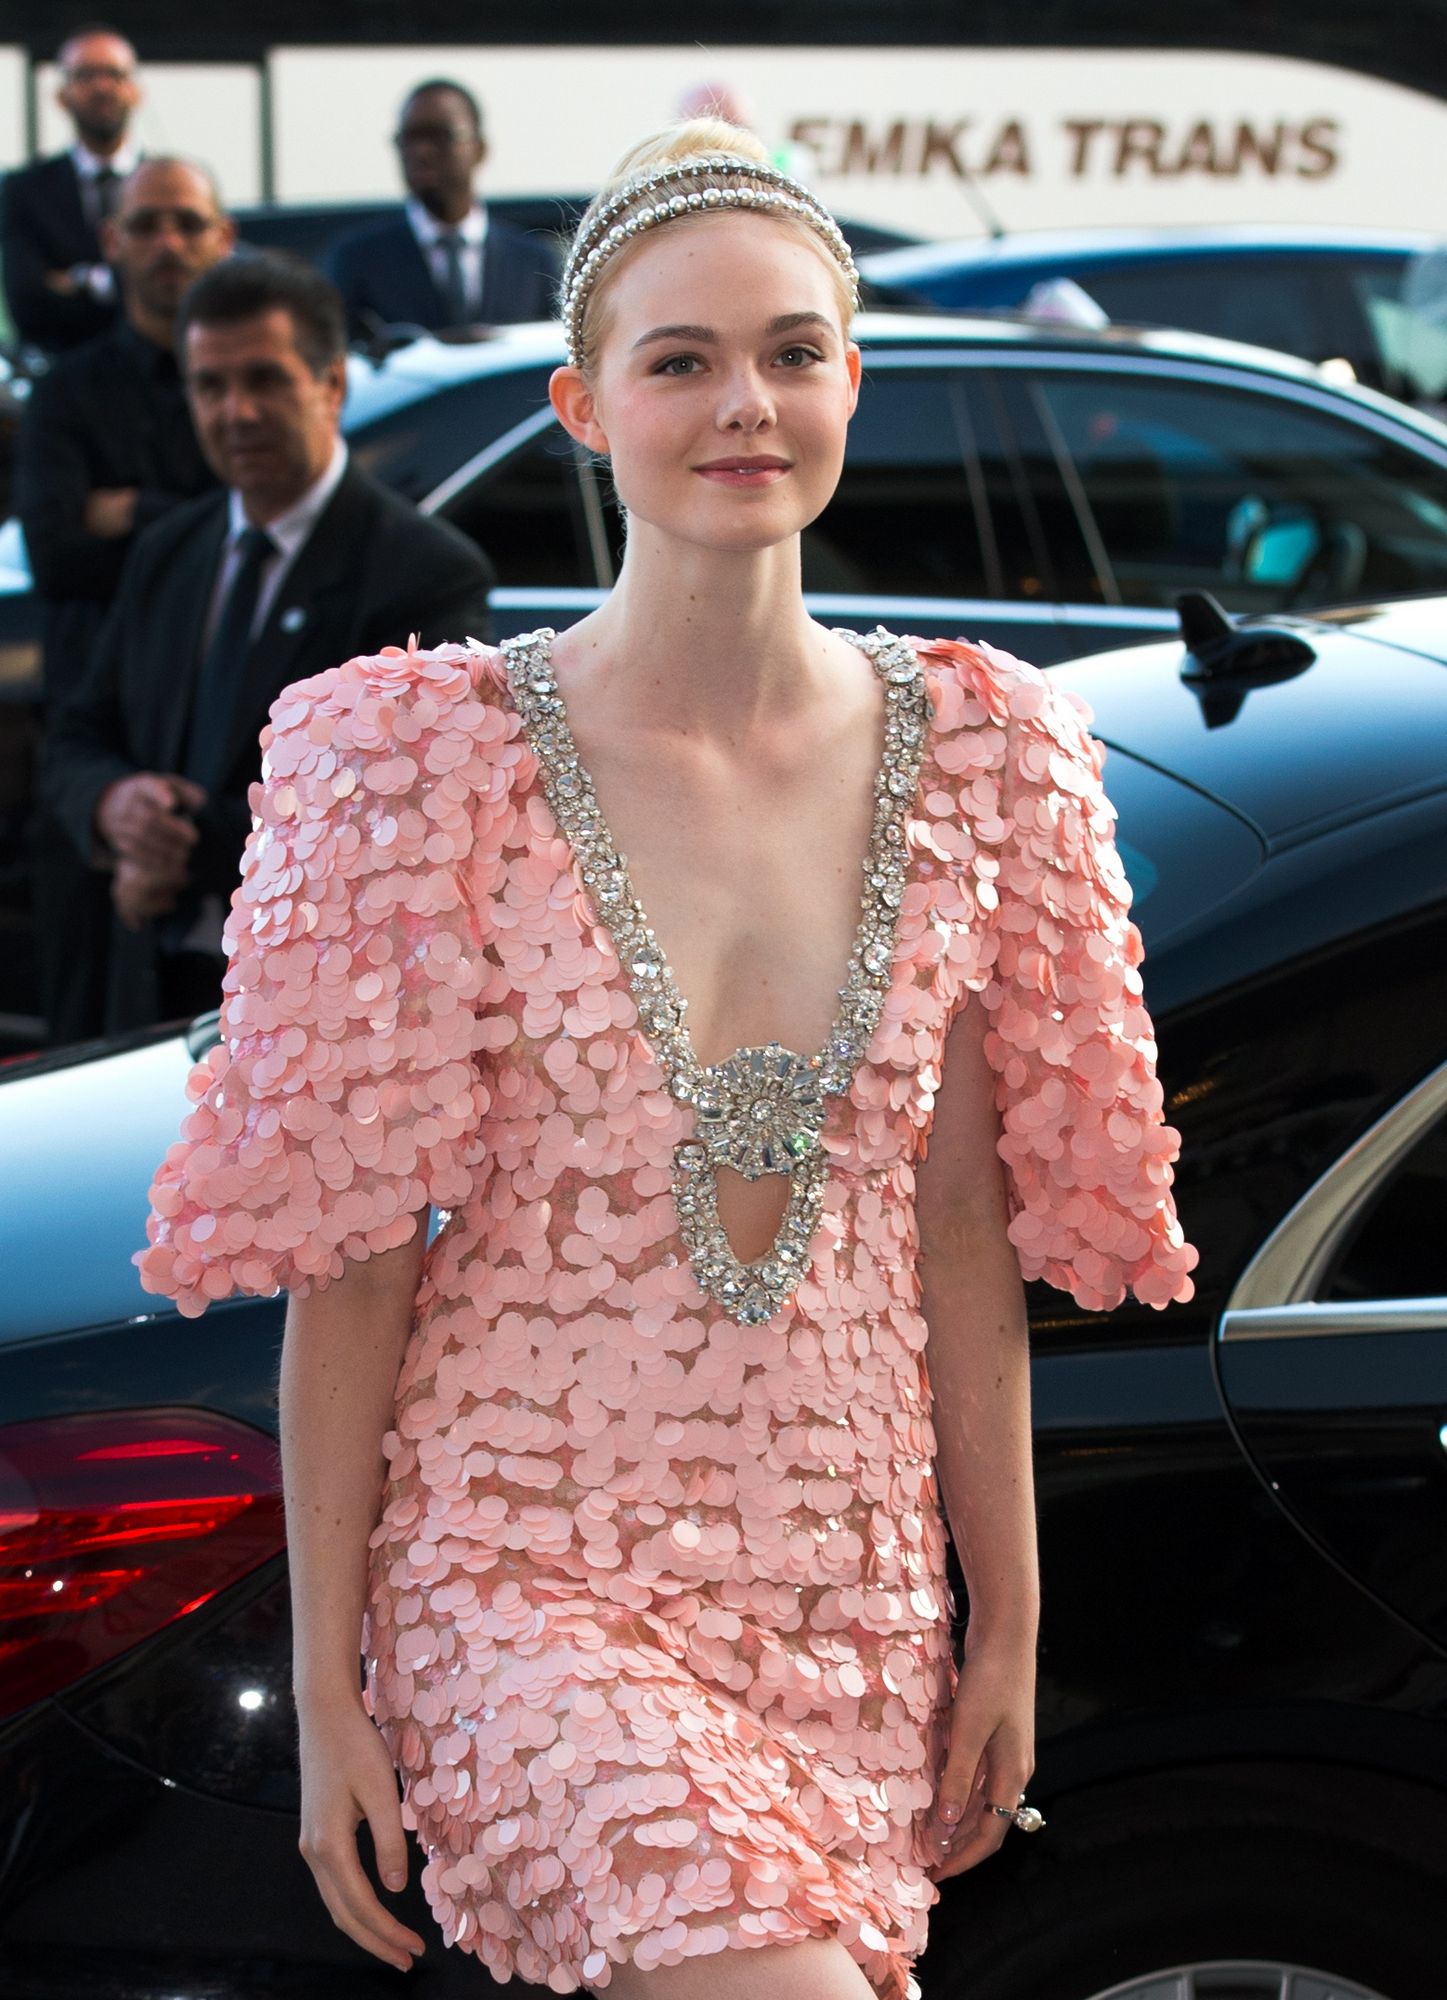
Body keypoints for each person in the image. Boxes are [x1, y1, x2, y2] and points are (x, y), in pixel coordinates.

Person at [135, 123, 1199, 2000]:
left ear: (851, 381)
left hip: (844, 1589)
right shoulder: (421, 761)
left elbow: (959, 1235)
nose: (745, 405)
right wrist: (331, 1691)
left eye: (791, 352)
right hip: (516, 1570)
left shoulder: (990, 755)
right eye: (682, 359)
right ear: (582, 405)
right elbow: (355, 1264)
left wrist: (1006, 1624)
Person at [43, 251, 494, 1038]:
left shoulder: (424, 573)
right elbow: (78, 735)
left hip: (315, 1016)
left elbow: (401, 813)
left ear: (331, 385)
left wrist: (178, 848)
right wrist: (113, 805)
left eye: (265, 380)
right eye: (210, 386)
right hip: (149, 989)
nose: (237, 412)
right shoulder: (168, 553)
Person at [17, 154, 234, 1045]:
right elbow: (57, 556)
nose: (167, 242)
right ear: (110, 242)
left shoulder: (250, 387)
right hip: (95, 758)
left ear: (223, 238)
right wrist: (194, 518)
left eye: (187, 222)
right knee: (87, 1057)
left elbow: (264, 532)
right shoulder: (67, 391)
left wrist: (129, 510)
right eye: (145, 224)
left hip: (224, 768)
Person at [326, 78, 558, 340]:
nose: (422, 152)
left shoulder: (533, 261)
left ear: (479, 149)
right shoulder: (358, 260)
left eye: (440, 136)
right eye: (409, 139)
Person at [1, 24, 142, 353]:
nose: (102, 87)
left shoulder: (165, 187)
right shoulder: (24, 190)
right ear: (62, 95)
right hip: (58, 367)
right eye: (86, 75)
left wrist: (81, 280)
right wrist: (128, 285)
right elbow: (26, 302)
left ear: (136, 91)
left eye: (115, 74)